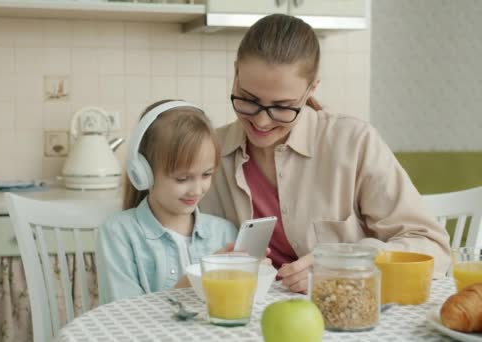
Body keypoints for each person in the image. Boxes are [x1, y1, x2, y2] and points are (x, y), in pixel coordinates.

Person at [199, 13, 451, 293]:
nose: (261, 122)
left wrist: (345, 266)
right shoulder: (210, 153)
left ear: (311, 90)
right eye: (248, 100)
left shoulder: (353, 142)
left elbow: (433, 248)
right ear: (235, 74)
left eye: (282, 107)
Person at [96, 100, 237, 304]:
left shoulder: (225, 232)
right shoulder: (118, 233)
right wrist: (189, 285)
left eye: (206, 175)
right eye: (182, 179)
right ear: (144, 174)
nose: (197, 190)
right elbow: (124, 315)